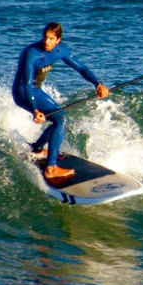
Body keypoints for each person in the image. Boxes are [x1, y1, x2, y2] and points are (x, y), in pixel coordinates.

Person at [12, 22, 109, 180]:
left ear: (58, 40)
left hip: (36, 91)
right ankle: (51, 168)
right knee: (62, 120)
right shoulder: (31, 53)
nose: (46, 41)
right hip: (23, 93)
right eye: (45, 37)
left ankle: (37, 148)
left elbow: (82, 68)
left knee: (60, 119)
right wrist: (35, 109)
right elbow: (27, 85)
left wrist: (97, 84)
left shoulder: (60, 50)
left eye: (51, 38)